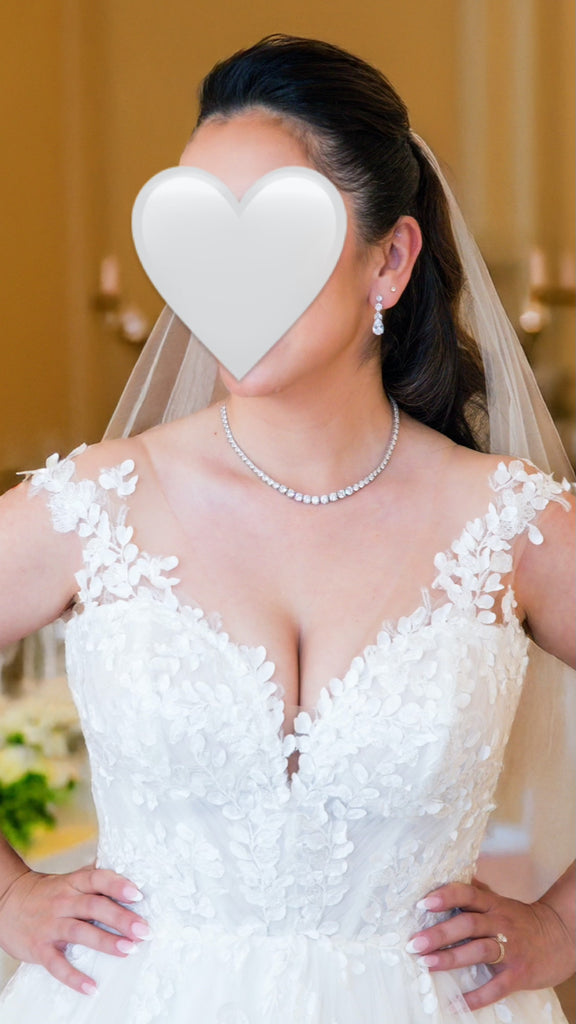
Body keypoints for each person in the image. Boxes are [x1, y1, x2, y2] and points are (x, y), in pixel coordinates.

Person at [0, 33, 574, 1024]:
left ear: (389, 261)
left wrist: (561, 926)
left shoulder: (506, 521)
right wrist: (11, 898)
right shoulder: (96, 504)